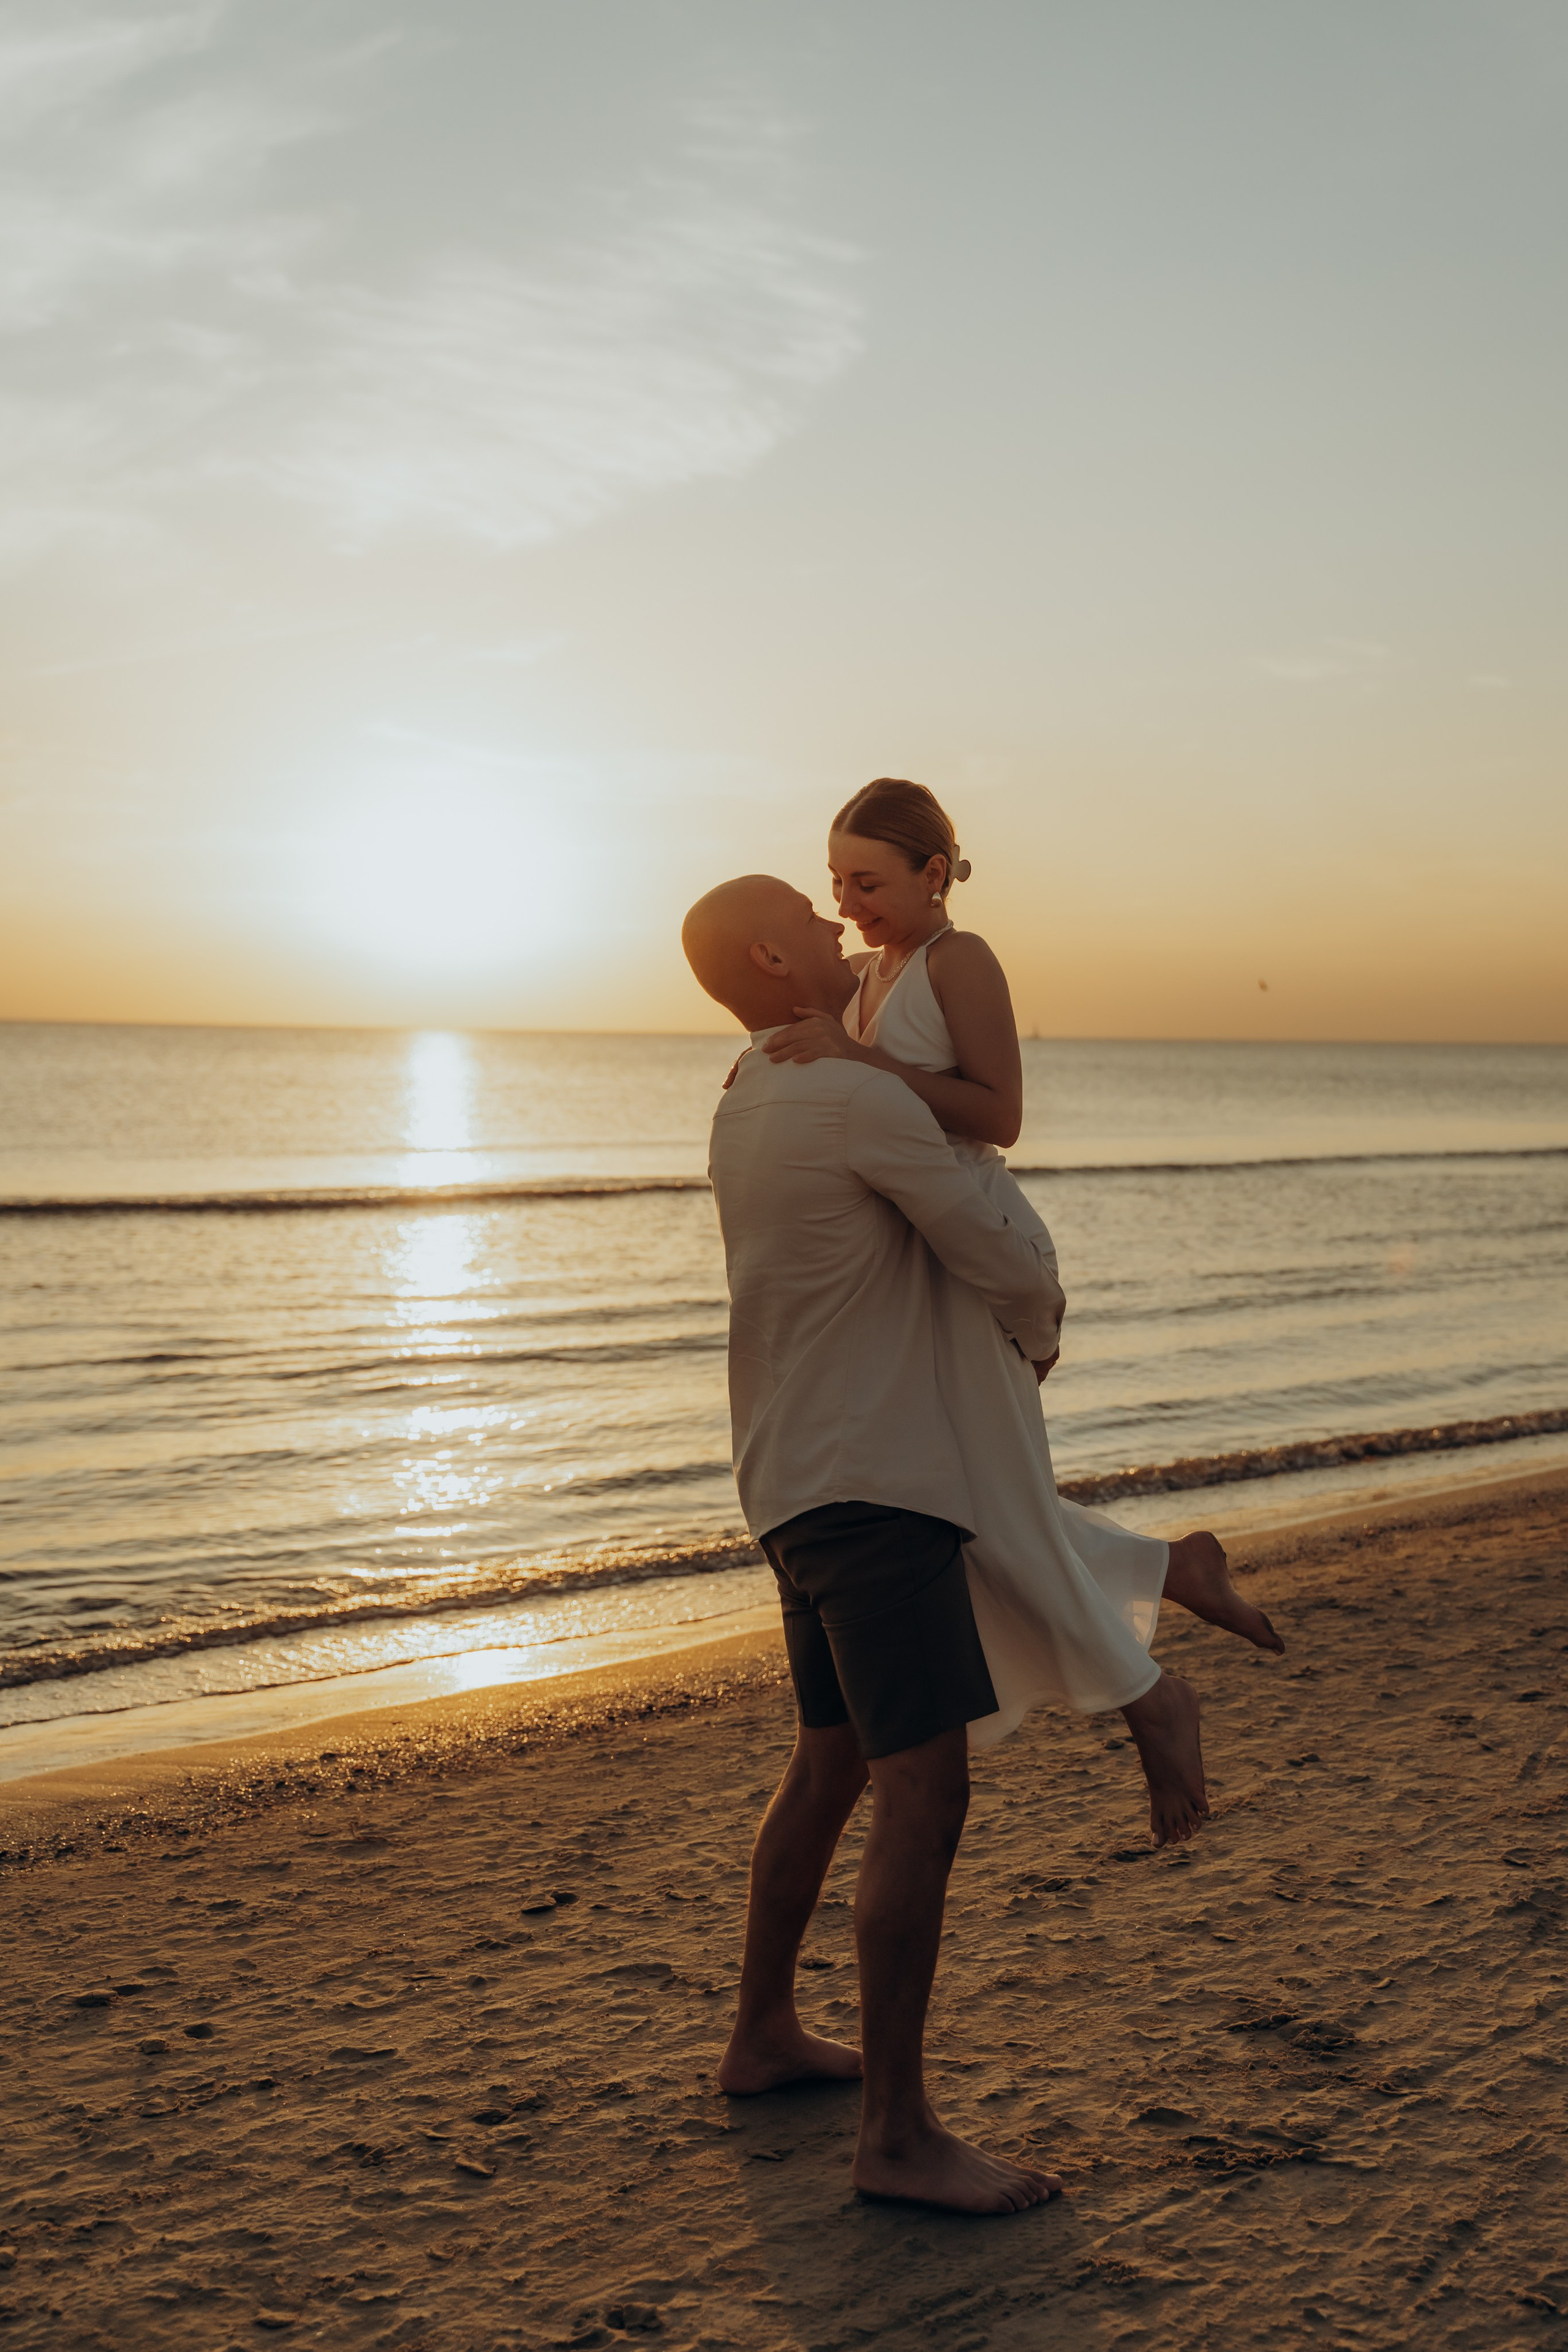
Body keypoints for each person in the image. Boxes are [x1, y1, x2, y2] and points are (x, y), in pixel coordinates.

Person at [681, 873, 1208, 2216]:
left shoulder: (744, 1092)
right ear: (767, 952)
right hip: (874, 1488)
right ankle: (898, 2137)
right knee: (922, 1794)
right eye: (808, 917)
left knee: (827, 1765)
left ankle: (759, 2035)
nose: (832, 927)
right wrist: (1034, 1342)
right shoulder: (852, 1095)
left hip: (790, 1483)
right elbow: (996, 1247)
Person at [756, 779, 1283, 1789]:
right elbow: (799, 1039)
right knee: (968, 1499)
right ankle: (1170, 1576)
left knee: (985, 1500)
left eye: (867, 880)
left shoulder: (961, 961)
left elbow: (999, 1114)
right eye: (835, 880)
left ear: (935, 874)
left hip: (973, 1245)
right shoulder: (868, 971)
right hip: (911, 1262)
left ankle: (1153, 1688)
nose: (846, 902)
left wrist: (860, 1060)